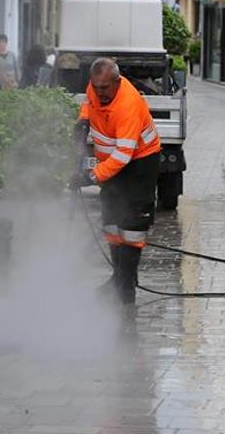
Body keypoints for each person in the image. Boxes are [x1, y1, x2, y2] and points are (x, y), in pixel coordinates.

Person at [69, 58, 161, 304]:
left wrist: (92, 176)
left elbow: (124, 155)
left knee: (132, 226)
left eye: (105, 88)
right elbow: (89, 104)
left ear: (117, 82)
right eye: (96, 87)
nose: (100, 93)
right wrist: (83, 120)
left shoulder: (127, 106)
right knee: (111, 220)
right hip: (112, 161)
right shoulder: (95, 88)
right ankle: (118, 277)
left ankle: (126, 287)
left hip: (140, 162)